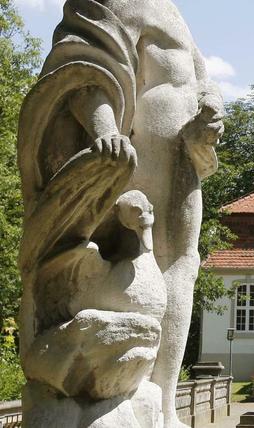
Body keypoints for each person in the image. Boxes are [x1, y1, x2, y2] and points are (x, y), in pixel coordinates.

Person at [16, 1, 224, 425]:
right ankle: (106, 389)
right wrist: (104, 131)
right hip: (128, 153)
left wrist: (211, 109)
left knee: (183, 263)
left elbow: (201, 76)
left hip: (183, 153)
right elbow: (80, 68)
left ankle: (164, 404)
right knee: (114, 258)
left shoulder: (171, 10)